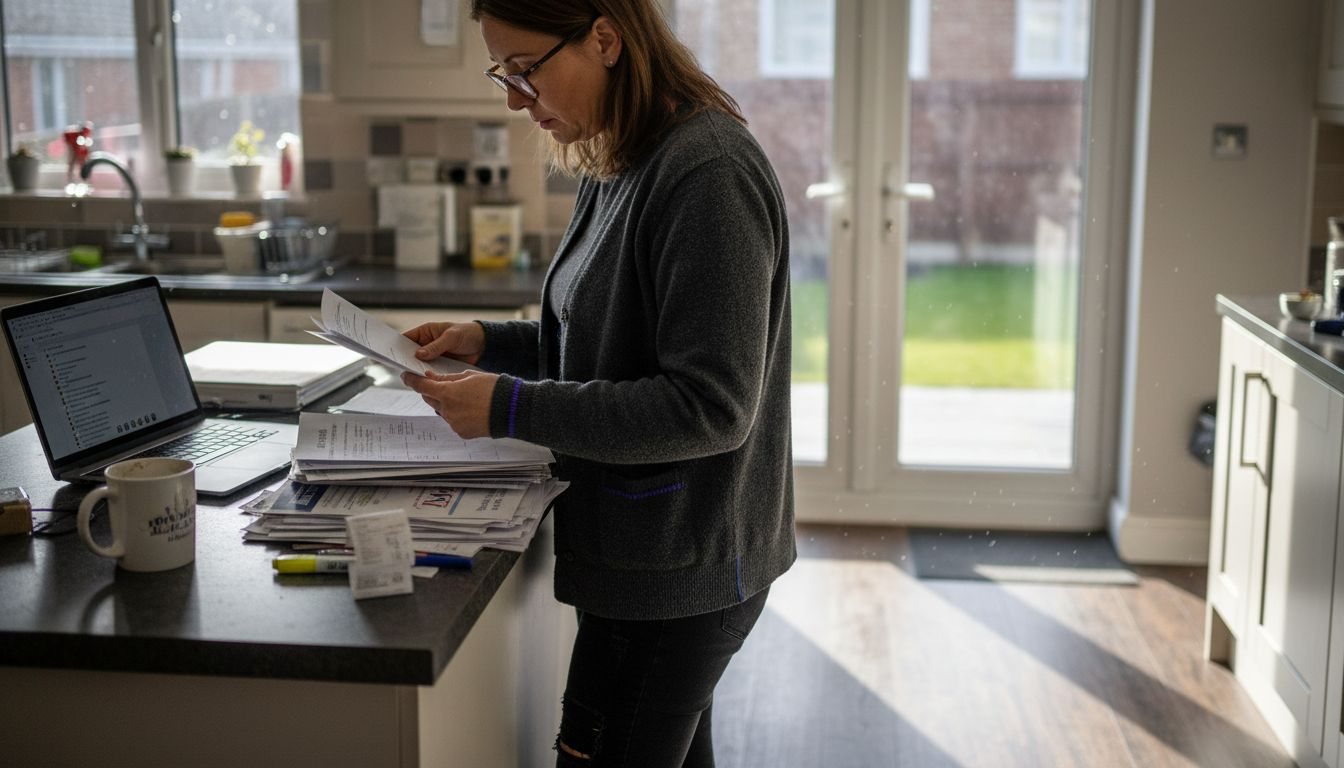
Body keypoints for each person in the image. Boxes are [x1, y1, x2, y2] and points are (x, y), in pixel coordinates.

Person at [399, 1, 796, 765]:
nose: (515, 98)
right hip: (643, 556)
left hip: (684, 568)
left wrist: (508, 405)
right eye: (502, 74)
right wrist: (488, 343)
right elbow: (602, 341)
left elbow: (709, 407)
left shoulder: (707, 173)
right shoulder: (619, 157)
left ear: (606, 40)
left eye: (525, 71)